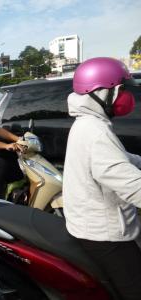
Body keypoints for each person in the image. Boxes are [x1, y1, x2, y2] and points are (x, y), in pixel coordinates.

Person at [63, 57, 141, 300]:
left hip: (91, 221)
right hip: (105, 233)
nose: (127, 97)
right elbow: (131, 186)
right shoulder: (95, 132)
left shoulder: (89, 123)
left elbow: (120, 160)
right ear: (102, 93)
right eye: (122, 90)